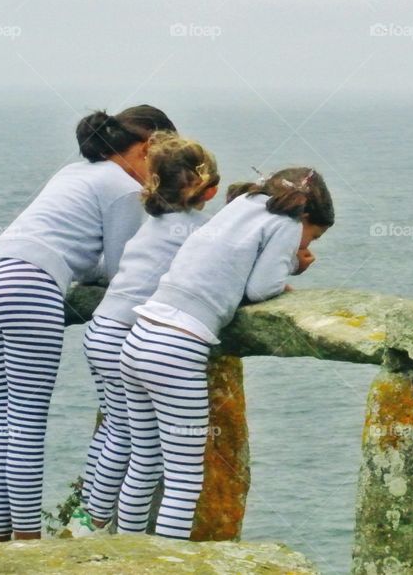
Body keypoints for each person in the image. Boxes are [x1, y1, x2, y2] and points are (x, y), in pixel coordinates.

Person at [0, 105, 176, 543]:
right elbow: (123, 268)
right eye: (160, 159)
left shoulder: (75, 172)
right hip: (30, 287)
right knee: (28, 421)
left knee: (6, 419)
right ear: (145, 148)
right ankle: (26, 545)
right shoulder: (121, 187)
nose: (158, 174)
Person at [116, 167, 333, 539]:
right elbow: (262, 287)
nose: (306, 244)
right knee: (184, 477)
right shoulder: (286, 223)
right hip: (177, 349)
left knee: (144, 460)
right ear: (308, 217)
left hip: (139, 338)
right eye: (311, 237)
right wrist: (293, 265)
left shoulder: (244, 204)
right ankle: (164, 566)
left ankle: (126, 555)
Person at [67, 133, 219, 536]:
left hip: (102, 331)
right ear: (206, 187)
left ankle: (89, 522)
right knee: (142, 451)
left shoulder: (153, 221)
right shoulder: (196, 229)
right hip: (125, 335)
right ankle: (102, 530)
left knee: (122, 435)